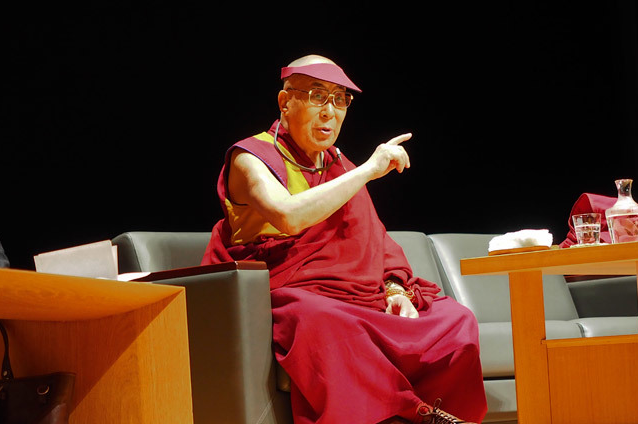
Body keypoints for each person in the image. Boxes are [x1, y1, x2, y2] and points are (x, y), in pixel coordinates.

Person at [202, 54, 487, 424]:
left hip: (356, 295)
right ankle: (417, 414)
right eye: (317, 96)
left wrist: (396, 291)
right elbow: (288, 217)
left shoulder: (337, 164)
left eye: (340, 100)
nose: (330, 112)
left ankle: (442, 414)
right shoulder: (251, 157)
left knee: (455, 320)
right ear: (285, 102)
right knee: (326, 323)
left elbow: (373, 240)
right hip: (287, 294)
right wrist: (370, 169)